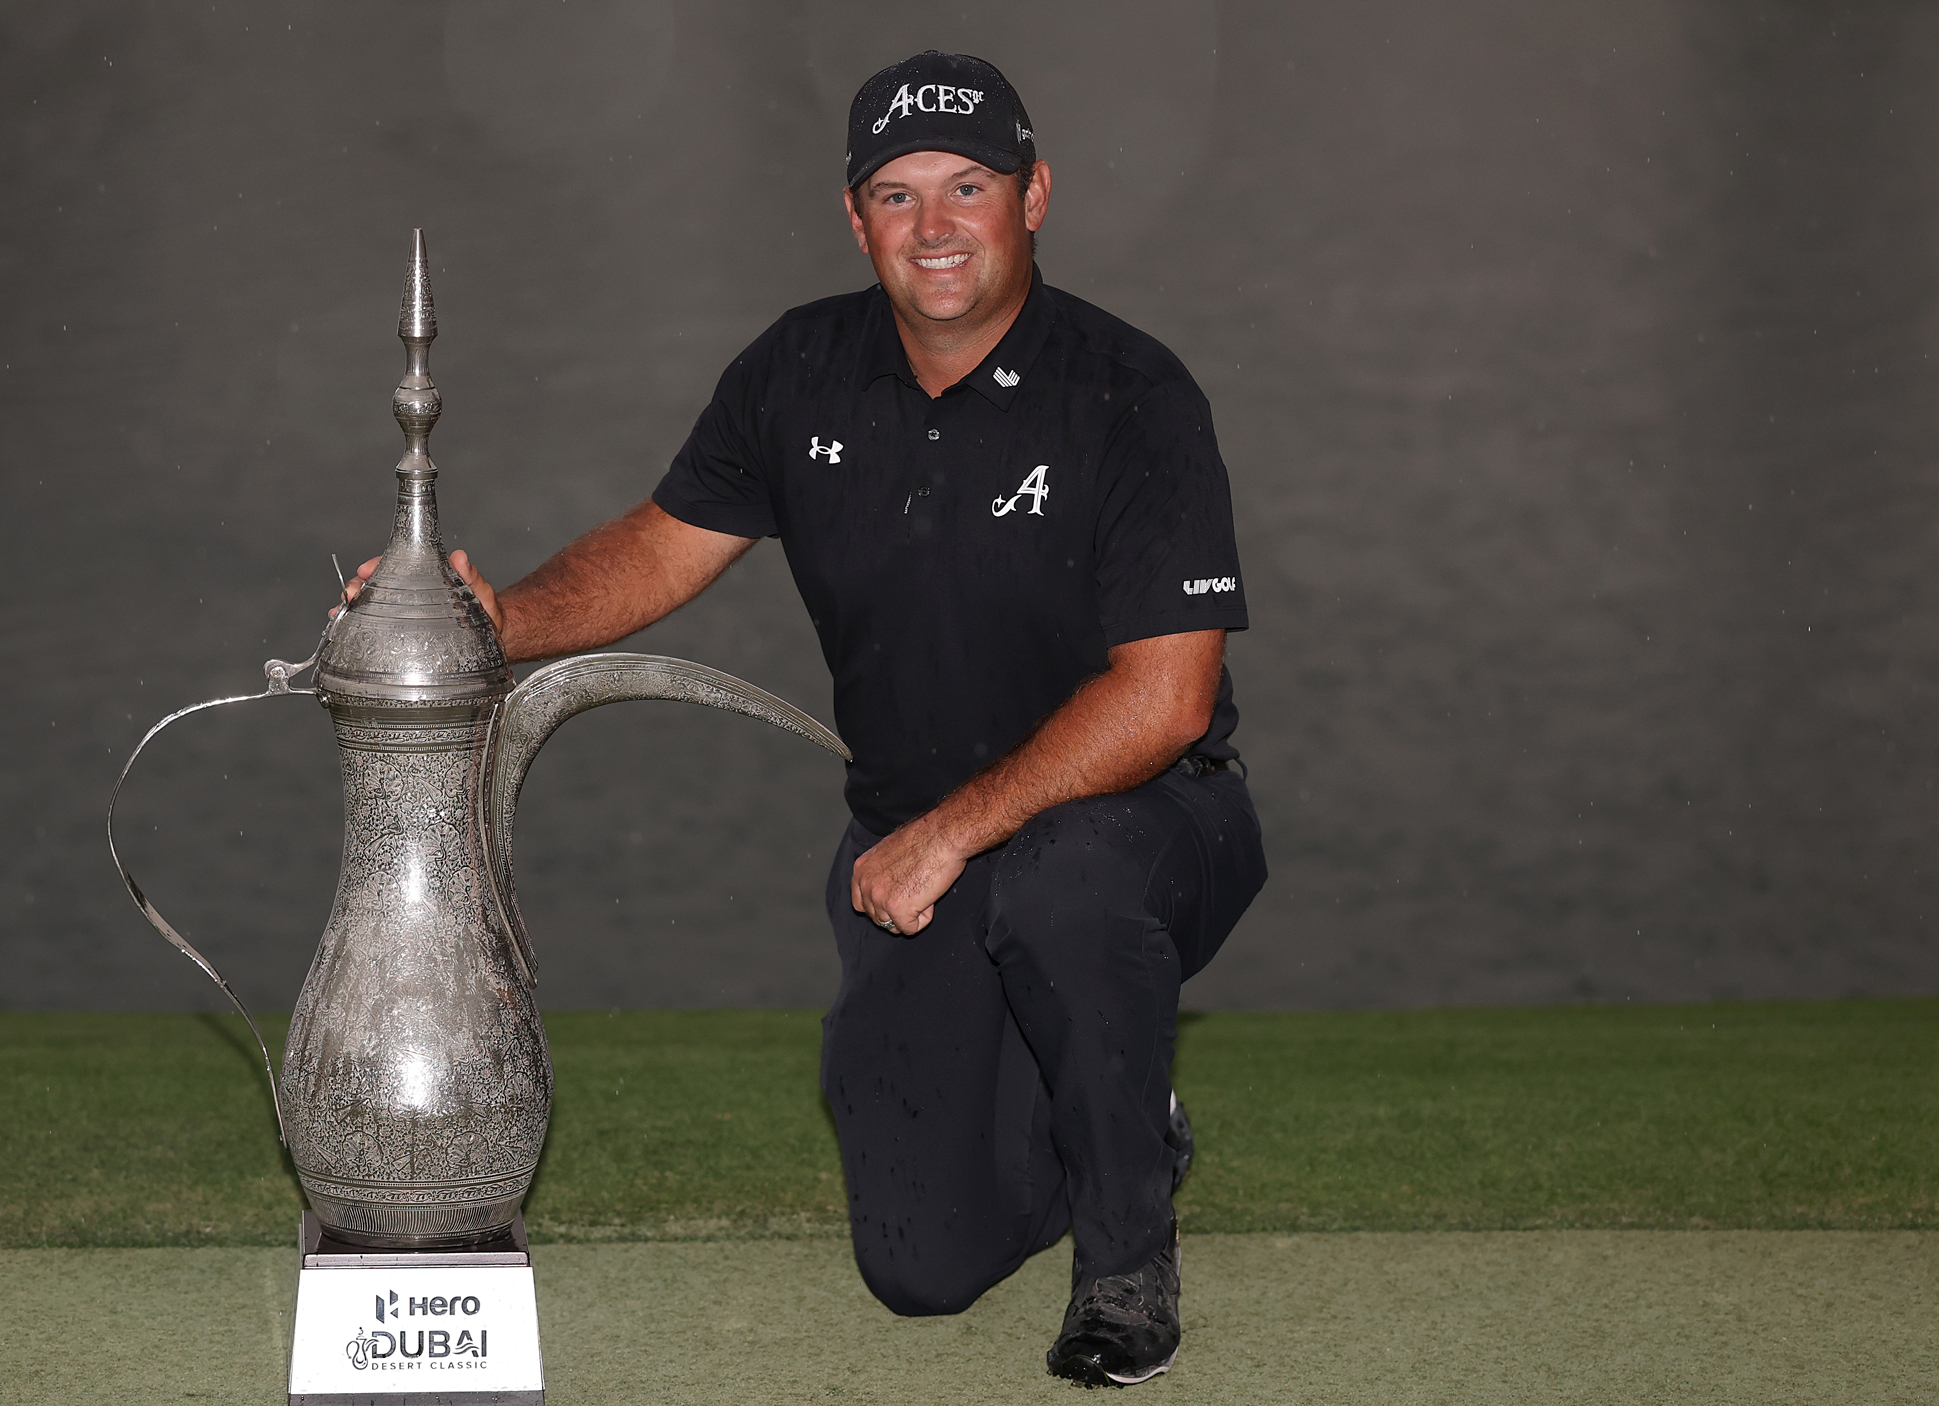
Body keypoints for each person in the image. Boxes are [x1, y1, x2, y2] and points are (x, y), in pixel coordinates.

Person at [348, 50, 1265, 1388]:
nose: (935, 226)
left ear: (1035, 195)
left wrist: (952, 834)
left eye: (969, 187)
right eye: (897, 196)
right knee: (919, 1265)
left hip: (1142, 816)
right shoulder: (800, 371)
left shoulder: (1136, 396)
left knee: (1065, 886)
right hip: (919, 850)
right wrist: (491, 618)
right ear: (855, 218)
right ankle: (1122, 1117)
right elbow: (659, 549)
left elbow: (1167, 698)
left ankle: (1127, 1265)